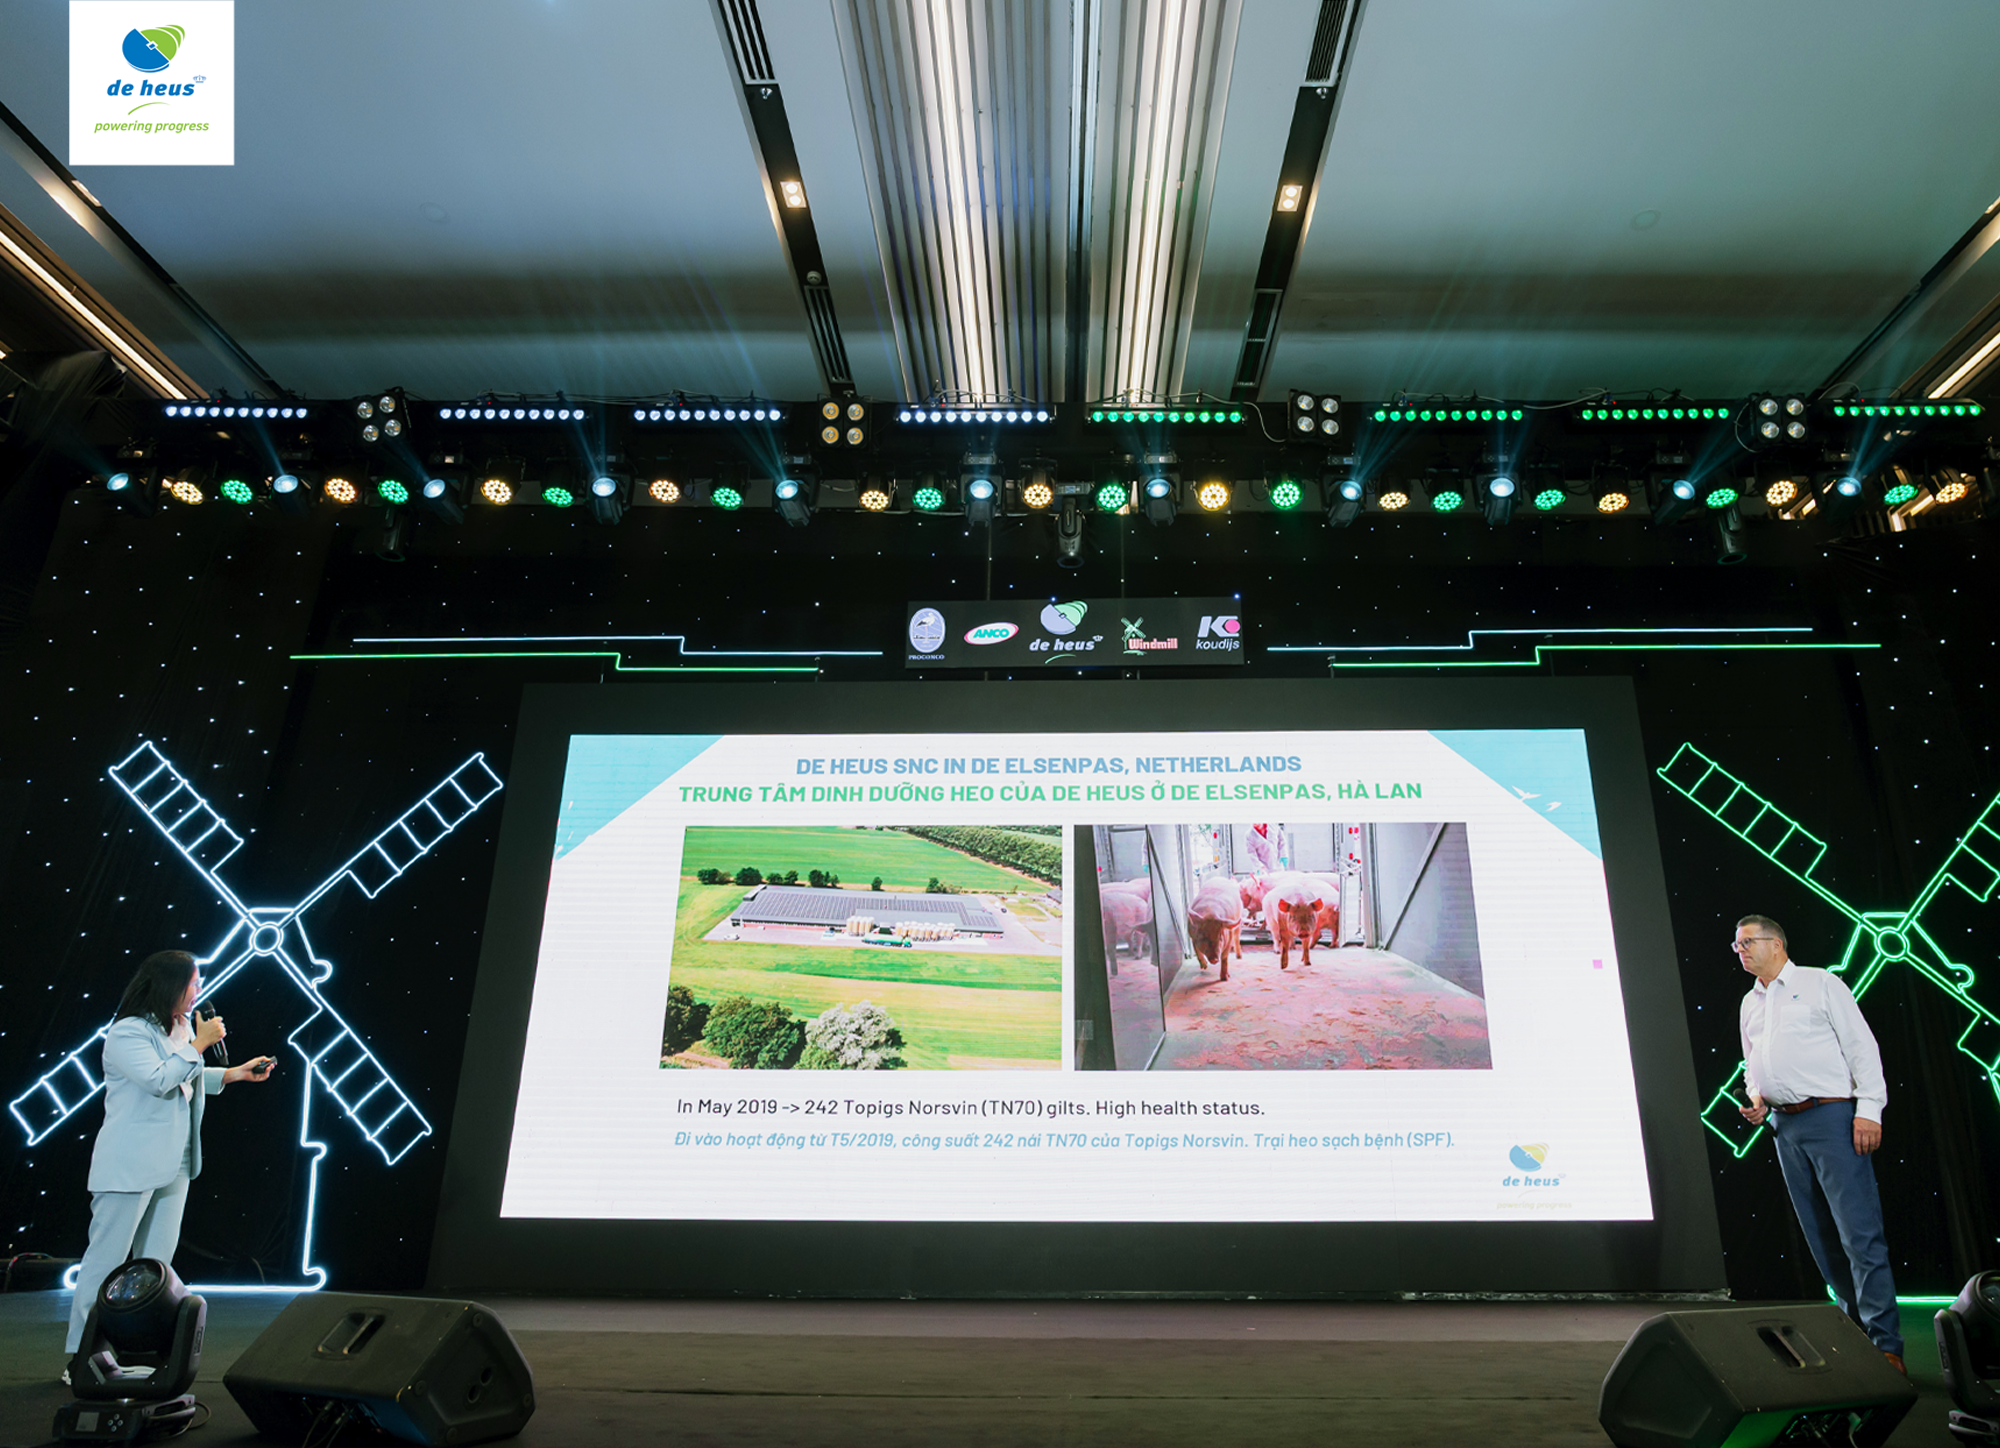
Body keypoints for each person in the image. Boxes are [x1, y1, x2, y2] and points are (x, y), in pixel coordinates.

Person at [64, 950, 277, 1365]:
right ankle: (82, 1355)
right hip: (130, 1163)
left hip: (175, 1160)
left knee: (155, 1263)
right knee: (106, 1260)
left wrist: (234, 1073)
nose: (199, 991)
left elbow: (186, 1074)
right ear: (170, 985)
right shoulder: (128, 1032)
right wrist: (200, 1043)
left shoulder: (179, 1027)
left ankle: (138, 1345)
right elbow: (159, 1079)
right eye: (193, 983)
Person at [1732, 915, 1903, 1372]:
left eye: (1747, 942)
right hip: (1784, 1128)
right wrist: (1757, 1099)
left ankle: (1886, 1344)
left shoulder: (1821, 984)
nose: (1740, 951)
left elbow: (1861, 1047)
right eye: (1737, 945)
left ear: (1777, 944)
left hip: (1832, 1118)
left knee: (1859, 1234)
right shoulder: (1750, 1003)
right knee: (1822, 1240)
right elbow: (1752, 1063)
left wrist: (1869, 1109)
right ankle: (1856, 1336)